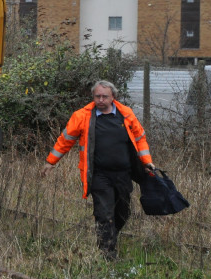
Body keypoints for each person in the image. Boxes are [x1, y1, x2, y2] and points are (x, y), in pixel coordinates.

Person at [43, 80, 155, 260]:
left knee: (123, 212)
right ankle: (107, 253)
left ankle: (110, 237)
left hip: (123, 174)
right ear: (93, 97)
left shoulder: (126, 114)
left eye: (105, 97)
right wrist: (51, 161)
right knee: (104, 213)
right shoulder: (82, 116)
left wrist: (147, 162)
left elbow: (140, 138)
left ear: (113, 97)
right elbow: (65, 140)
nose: (101, 100)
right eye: (97, 96)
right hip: (98, 175)